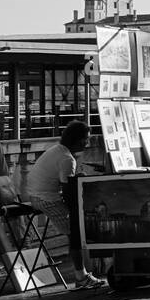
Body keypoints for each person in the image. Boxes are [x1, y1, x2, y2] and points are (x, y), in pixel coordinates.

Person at [25, 120, 107, 290]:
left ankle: (83, 273)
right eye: (86, 139)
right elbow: (69, 192)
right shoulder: (67, 159)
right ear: (77, 140)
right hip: (45, 198)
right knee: (75, 231)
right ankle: (81, 276)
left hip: (38, 194)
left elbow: (67, 183)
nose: (88, 143)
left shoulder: (59, 151)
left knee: (77, 226)